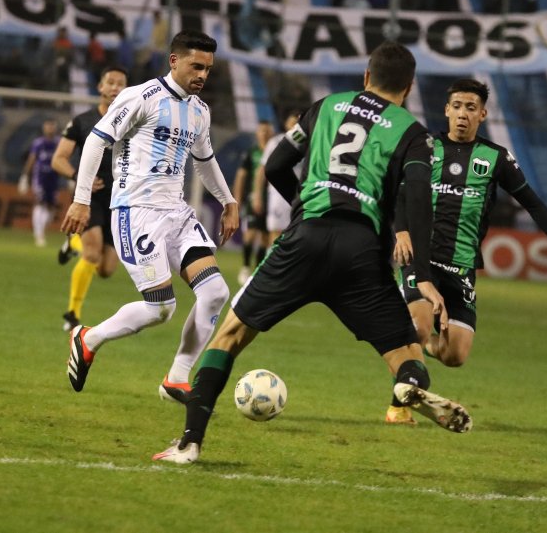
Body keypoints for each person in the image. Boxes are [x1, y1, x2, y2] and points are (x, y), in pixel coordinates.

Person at [153, 42, 471, 465]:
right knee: (408, 353)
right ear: (408, 88)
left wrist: (303, 207)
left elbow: (277, 165)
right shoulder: (414, 134)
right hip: (361, 252)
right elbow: (418, 204)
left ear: (365, 77)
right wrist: (424, 275)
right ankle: (405, 386)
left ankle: (190, 443)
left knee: (229, 337)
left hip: (307, 237)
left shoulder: (326, 106)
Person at [385, 78, 547, 425]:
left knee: (455, 355)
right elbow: (398, 194)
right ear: (446, 110)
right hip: (420, 258)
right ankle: (399, 406)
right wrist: (401, 231)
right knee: (418, 326)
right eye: (456, 106)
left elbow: (532, 202)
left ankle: (425, 345)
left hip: (461, 266)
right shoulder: (423, 147)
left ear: (483, 114)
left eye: (470, 108)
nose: (462, 114)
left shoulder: (495, 158)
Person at [61, 30, 239, 405]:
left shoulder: (199, 111)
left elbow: (204, 161)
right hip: (135, 213)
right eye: (196, 66)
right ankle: (88, 338)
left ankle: (176, 378)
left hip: (176, 213)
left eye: (208, 68)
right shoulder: (140, 97)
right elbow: (96, 140)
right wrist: (80, 201)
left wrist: (228, 201)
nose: (203, 75)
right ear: (174, 61)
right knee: (161, 308)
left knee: (215, 292)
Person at [51, 66, 128, 332]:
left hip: (118, 200)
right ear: (100, 87)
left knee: (107, 269)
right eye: (111, 82)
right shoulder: (82, 121)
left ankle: (73, 244)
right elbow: (58, 159)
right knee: (93, 253)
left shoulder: (132, 124)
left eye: (121, 84)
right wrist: (77, 177)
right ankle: (72, 313)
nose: (115, 88)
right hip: (89, 197)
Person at [252, 110, 303, 245]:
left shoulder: (309, 142)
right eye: (292, 123)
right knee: (276, 231)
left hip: (301, 193)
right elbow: (262, 170)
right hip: (278, 193)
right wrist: (257, 195)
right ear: (286, 124)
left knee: (297, 231)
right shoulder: (275, 142)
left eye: (297, 123)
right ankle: (273, 261)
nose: (294, 126)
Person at [232, 120, 273, 284]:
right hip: (253, 197)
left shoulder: (274, 152)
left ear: (272, 134)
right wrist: (237, 199)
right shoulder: (251, 153)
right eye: (261, 131)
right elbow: (241, 176)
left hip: (271, 199)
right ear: (257, 133)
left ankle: (257, 271)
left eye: (267, 131)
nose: (264, 134)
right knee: (250, 233)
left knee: (265, 236)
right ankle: (246, 266)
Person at [19, 119, 60, 247]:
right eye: (48, 126)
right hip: (40, 177)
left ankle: (41, 230)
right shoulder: (38, 143)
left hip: (53, 178)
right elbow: (32, 160)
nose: (50, 128)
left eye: (52, 126)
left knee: (51, 207)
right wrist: (25, 176)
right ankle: (39, 234)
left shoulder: (58, 142)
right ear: (43, 128)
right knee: (40, 202)